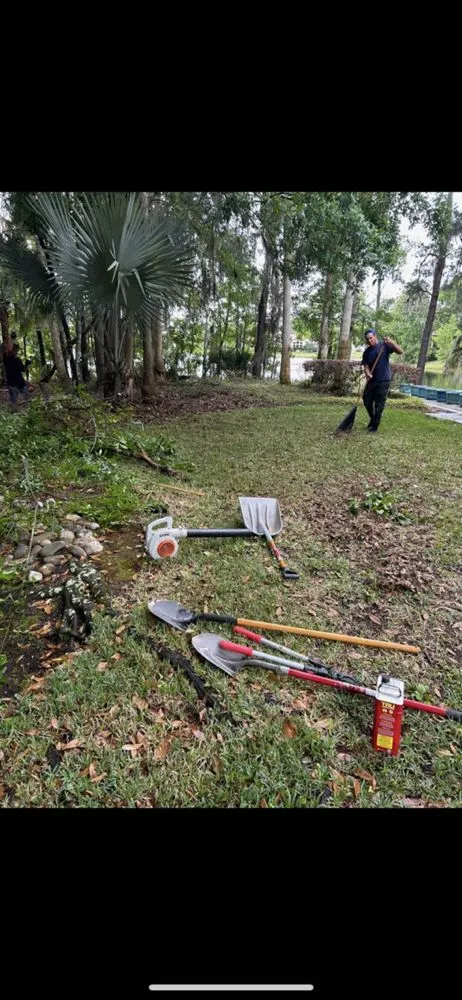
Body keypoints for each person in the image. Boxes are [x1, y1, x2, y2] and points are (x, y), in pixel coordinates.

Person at [362, 329, 403, 432]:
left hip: (384, 380)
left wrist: (391, 342)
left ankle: (374, 427)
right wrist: (367, 373)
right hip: (372, 380)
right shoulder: (367, 352)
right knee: (366, 399)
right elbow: (366, 366)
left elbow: (400, 351)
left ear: (375, 336)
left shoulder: (384, 345)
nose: (370, 340)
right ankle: (373, 418)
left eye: (371, 338)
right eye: (367, 339)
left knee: (379, 404)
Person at [2, 340, 30, 410]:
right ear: (11, 349)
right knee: (13, 400)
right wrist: (12, 339)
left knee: (26, 396)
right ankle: (13, 413)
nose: (16, 351)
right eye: (14, 349)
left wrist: (27, 364)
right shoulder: (6, 358)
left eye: (17, 350)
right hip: (12, 383)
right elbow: (5, 348)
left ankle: (27, 410)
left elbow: (23, 369)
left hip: (21, 383)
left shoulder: (18, 359)